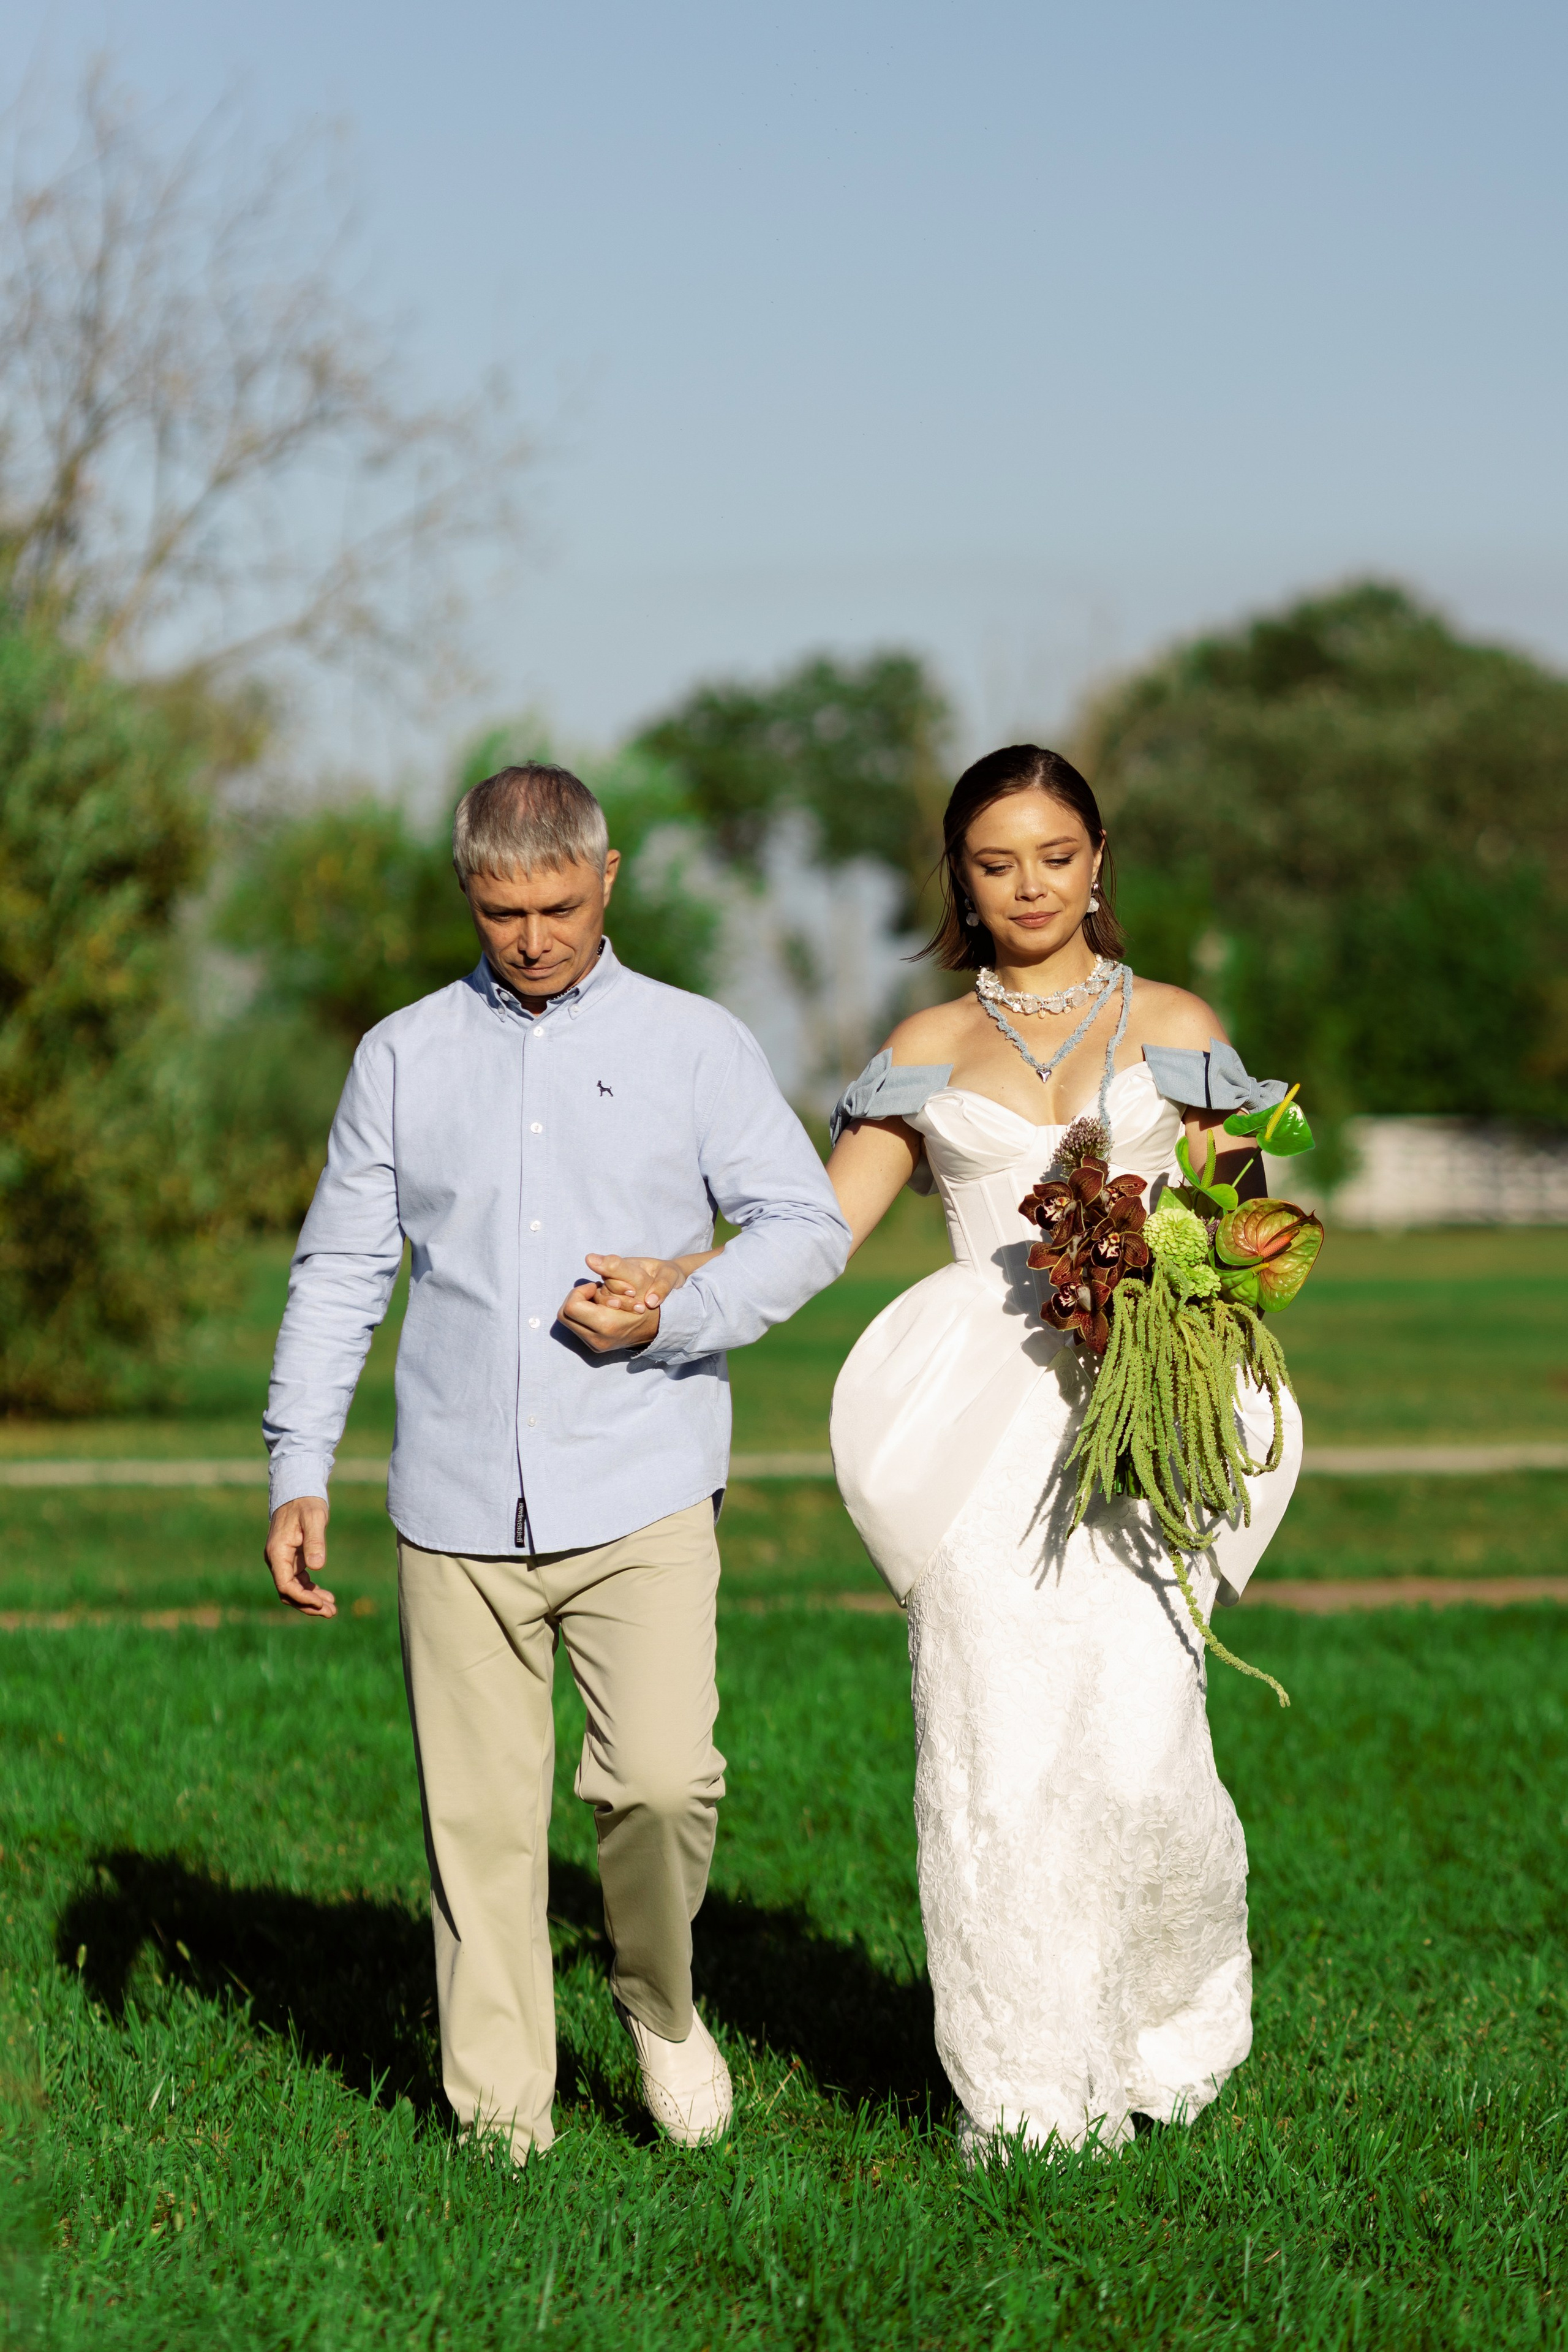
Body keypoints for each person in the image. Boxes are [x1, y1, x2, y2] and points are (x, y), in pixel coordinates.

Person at [594, 744, 1303, 2158]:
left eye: (1053, 854)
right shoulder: (920, 1053)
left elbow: (1251, 1228)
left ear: (1097, 862)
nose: (1027, 884)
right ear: (958, 882)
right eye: (994, 862)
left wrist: (1178, 1270)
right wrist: (676, 1285)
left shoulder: (1175, 1023)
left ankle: (1159, 2029)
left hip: (1142, 1419)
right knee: (990, 1746)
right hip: (975, 1433)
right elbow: (816, 1232)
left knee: (1143, 1746)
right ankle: (1025, 2094)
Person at [262, 762, 850, 2162]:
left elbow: (804, 1225)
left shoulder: (696, 1043)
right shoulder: (400, 1056)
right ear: (468, 892)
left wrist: (676, 1311)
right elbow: (341, 1267)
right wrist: (298, 1462)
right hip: (451, 1503)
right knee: (478, 1827)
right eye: (499, 909)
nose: (530, 937)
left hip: (640, 1479)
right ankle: (500, 2129)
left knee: (657, 1782)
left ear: (610, 878)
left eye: (557, 905)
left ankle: (656, 2001)